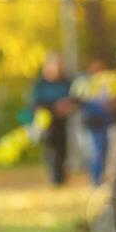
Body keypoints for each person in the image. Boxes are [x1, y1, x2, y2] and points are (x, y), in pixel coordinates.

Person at [28, 54, 76, 187]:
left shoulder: (66, 81)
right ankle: (55, 179)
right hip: (46, 121)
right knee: (51, 150)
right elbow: (34, 103)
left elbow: (75, 97)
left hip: (63, 121)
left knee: (63, 149)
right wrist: (54, 107)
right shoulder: (40, 83)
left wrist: (67, 105)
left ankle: (61, 176)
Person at [78, 57, 116, 187]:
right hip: (93, 123)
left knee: (106, 152)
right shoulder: (85, 84)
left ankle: (102, 178)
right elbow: (82, 103)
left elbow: (115, 101)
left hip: (107, 121)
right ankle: (95, 180)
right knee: (96, 152)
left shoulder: (109, 84)